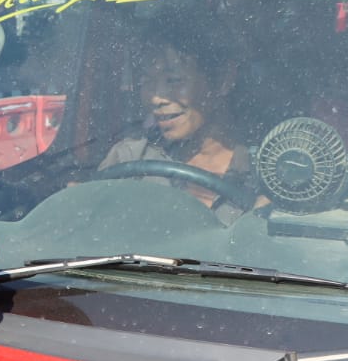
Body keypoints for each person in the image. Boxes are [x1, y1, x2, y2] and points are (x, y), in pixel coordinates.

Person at [98, 24, 261, 224]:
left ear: (223, 80)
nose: (156, 98)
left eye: (174, 80)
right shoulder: (129, 159)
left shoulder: (269, 171)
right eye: (147, 81)